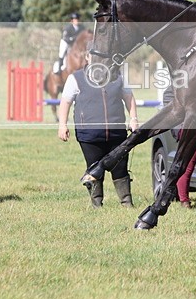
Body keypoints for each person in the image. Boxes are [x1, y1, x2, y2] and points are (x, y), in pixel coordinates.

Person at [58, 64, 139, 208]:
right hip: (89, 134)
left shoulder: (118, 76)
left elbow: (128, 97)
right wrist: (62, 125)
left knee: (120, 168)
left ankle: (127, 203)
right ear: (88, 58)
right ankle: (96, 204)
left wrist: (133, 119)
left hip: (117, 132)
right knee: (94, 168)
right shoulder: (75, 78)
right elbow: (66, 101)